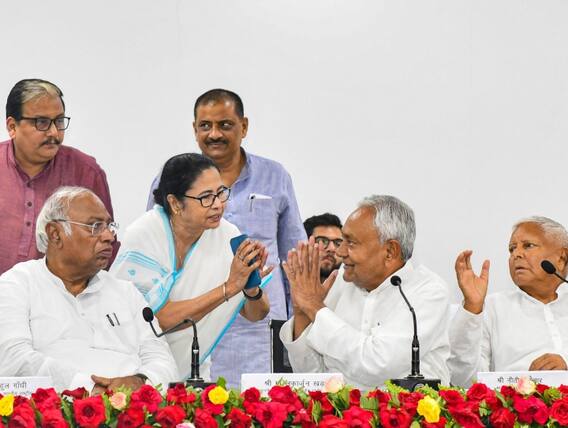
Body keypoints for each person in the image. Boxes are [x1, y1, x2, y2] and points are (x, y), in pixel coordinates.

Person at [146, 89, 305, 386]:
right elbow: (156, 245)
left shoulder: (275, 176)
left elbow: (294, 255)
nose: (214, 134)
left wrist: (300, 323)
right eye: (205, 125)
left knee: (258, 404)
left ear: (244, 126)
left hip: (257, 322)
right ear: (194, 129)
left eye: (225, 125)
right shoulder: (171, 180)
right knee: (194, 403)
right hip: (192, 319)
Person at [0, 187, 178, 393]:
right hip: (54, 407)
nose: (109, 236)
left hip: (131, 406)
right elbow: (12, 359)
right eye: (95, 226)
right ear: (55, 234)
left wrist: (140, 381)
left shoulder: (126, 292)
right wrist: (86, 388)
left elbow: (163, 361)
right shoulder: (17, 284)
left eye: (109, 226)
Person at [114, 153, 270, 380]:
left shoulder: (227, 235)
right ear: (175, 203)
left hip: (194, 372)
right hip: (135, 372)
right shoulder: (145, 234)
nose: (218, 204)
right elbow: (157, 321)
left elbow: (256, 314)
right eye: (206, 197)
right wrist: (228, 288)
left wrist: (250, 287)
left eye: (221, 193)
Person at [280, 195, 450, 389]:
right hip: (340, 408)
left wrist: (315, 308)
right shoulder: (339, 284)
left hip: (409, 409)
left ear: (390, 251)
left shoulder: (428, 292)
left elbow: (377, 365)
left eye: (351, 243)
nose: (340, 252)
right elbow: (312, 377)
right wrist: (302, 314)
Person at [1, 79, 116, 275]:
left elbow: (105, 243)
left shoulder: (85, 173)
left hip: (61, 292)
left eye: (59, 121)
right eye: (42, 122)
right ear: (12, 127)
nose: (54, 132)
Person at [448, 216, 568, 387]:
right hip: (516, 402)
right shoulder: (493, 307)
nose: (516, 254)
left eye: (528, 245)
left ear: (561, 258)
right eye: (512, 249)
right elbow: (465, 381)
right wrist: (472, 306)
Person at [304, 213, 343, 282]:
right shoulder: (284, 284)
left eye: (338, 243)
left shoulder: (353, 285)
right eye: (322, 241)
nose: (332, 248)